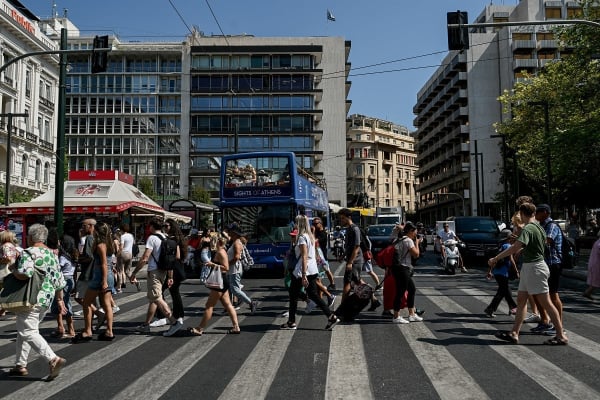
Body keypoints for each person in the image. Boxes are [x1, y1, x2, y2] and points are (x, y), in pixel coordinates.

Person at [488, 202, 568, 345]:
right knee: (521, 300)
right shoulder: (539, 227)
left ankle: (561, 335)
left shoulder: (529, 229)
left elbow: (515, 247)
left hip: (535, 268)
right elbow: (533, 246)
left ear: (522, 213)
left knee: (547, 303)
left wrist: (496, 258)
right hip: (530, 267)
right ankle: (514, 333)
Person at [8, 223, 67, 380]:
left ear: (32, 237)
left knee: (28, 331)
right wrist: (60, 300)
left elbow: (25, 273)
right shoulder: (53, 255)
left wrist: (13, 269)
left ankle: (52, 359)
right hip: (46, 299)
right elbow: (59, 281)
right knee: (26, 331)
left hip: (31, 298)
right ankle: (20, 365)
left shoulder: (29, 253)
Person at [280, 215, 340, 331]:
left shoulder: (302, 237)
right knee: (313, 294)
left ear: (299, 224)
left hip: (303, 270)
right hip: (312, 269)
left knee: (293, 294)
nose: (295, 225)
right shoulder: (310, 236)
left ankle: (291, 322)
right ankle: (331, 316)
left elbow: (304, 256)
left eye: (296, 223)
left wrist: (303, 274)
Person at [130, 218, 183, 336]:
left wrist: (134, 273)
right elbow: (171, 259)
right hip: (163, 271)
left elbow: (145, 257)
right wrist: (170, 276)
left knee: (157, 297)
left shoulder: (152, 238)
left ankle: (173, 322)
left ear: (152, 227)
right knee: (153, 298)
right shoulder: (166, 238)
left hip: (154, 271)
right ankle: (146, 325)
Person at [72, 222, 116, 342]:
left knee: (86, 302)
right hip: (108, 275)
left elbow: (103, 264)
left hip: (100, 276)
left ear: (97, 231)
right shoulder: (110, 243)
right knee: (107, 304)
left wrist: (104, 281)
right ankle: (109, 331)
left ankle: (88, 331)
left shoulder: (101, 245)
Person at [189, 233, 240, 335]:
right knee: (228, 305)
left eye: (213, 240)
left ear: (218, 242)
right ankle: (236, 327)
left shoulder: (221, 252)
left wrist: (212, 264)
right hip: (222, 280)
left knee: (209, 305)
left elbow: (226, 268)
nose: (211, 242)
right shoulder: (219, 251)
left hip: (220, 280)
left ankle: (200, 329)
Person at [531, 204, 564, 336]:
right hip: (543, 264)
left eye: (537, 213)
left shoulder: (551, 225)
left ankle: (558, 325)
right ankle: (545, 322)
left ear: (545, 212)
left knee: (553, 295)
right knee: (537, 293)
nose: (535, 215)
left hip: (553, 263)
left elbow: (546, 241)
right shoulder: (541, 225)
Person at [150, 219, 187, 329]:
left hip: (173, 269)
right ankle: (177, 315)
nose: (164, 228)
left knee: (158, 293)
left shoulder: (173, 239)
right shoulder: (178, 238)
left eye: (166, 226)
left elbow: (177, 256)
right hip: (177, 269)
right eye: (164, 226)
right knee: (173, 292)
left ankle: (163, 316)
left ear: (172, 227)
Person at [390, 222, 423, 324]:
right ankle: (396, 316)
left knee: (411, 289)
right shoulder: (408, 241)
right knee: (400, 292)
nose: (416, 234)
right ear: (410, 231)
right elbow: (416, 254)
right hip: (403, 269)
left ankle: (412, 314)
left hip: (397, 268)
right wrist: (417, 242)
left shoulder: (399, 239)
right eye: (415, 232)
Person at [484, 229, 518, 318]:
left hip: (497, 272)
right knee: (503, 291)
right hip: (503, 272)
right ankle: (513, 307)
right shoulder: (507, 246)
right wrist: (516, 271)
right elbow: (511, 260)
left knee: (504, 290)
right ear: (509, 238)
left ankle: (510, 307)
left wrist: (490, 271)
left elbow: (494, 261)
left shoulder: (501, 245)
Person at [225, 223, 257, 314]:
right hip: (232, 269)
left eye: (230, 231)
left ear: (234, 233)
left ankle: (251, 302)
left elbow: (236, 257)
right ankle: (229, 307)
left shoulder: (237, 243)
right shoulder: (234, 242)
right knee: (231, 289)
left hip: (235, 269)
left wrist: (227, 264)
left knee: (235, 289)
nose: (229, 233)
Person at [50, 236, 77, 339]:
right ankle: (64, 328)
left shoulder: (63, 257)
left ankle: (66, 329)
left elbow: (57, 269)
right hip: (70, 279)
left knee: (60, 304)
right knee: (65, 303)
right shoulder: (72, 255)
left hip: (63, 280)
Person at [338, 208, 364, 302]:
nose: (341, 220)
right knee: (357, 280)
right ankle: (374, 300)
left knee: (347, 282)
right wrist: (343, 255)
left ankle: (342, 306)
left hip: (355, 260)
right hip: (351, 259)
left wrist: (350, 262)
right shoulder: (348, 229)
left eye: (342, 218)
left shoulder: (355, 229)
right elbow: (349, 246)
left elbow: (357, 246)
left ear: (348, 217)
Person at [311, 217, 336, 290]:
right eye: (313, 224)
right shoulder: (317, 232)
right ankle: (332, 284)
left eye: (316, 224)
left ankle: (330, 284)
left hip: (322, 256)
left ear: (320, 224)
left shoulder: (323, 233)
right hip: (317, 255)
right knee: (326, 270)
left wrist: (313, 232)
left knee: (326, 270)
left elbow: (315, 241)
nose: (314, 225)